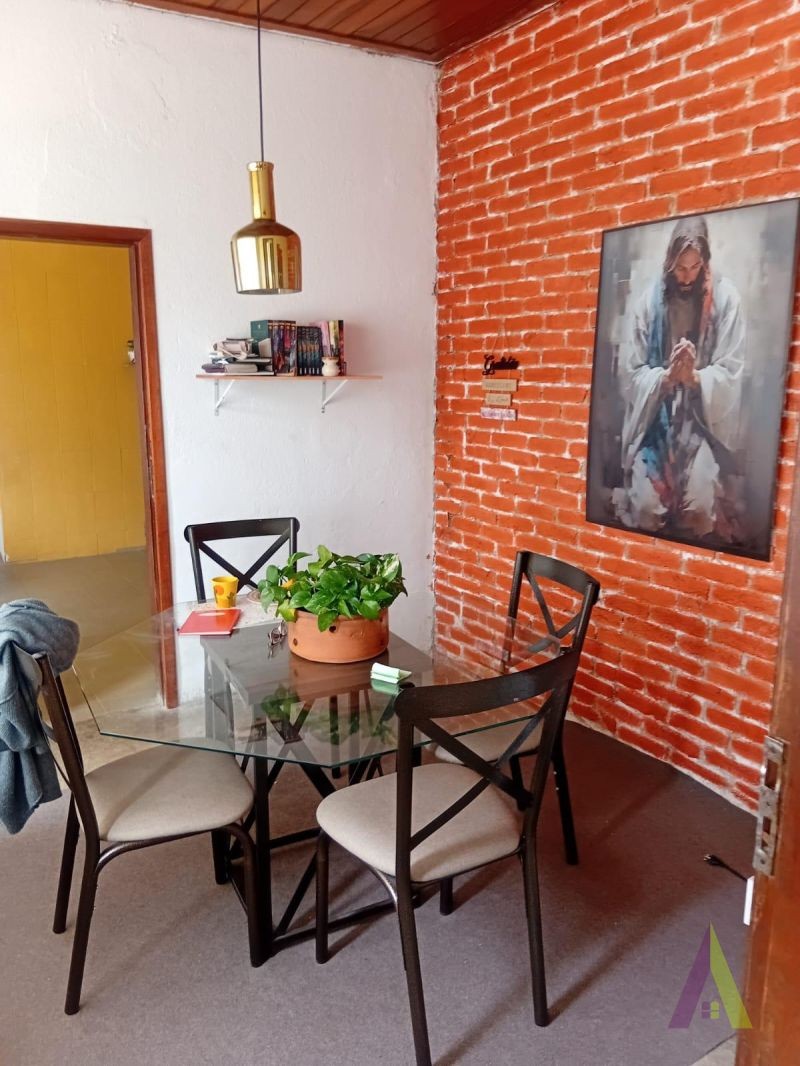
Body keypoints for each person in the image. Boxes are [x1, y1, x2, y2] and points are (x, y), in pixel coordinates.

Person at [612, 215, 745, 541]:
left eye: (694, 267)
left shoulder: (725, 299)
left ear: (705, 263)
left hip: (699, 426)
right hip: (654, 424)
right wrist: (667, 378)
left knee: (699, 510)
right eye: (680, 268)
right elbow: (630, 373)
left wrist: (696, 377)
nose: (687, 277)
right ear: (669, 263)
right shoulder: (648, 301)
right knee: (646, 510)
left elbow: (731, 370)